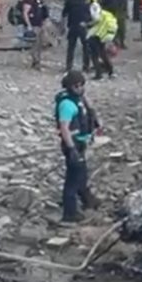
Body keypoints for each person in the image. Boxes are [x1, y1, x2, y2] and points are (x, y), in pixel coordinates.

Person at [54, 70, 100, 223]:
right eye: (76, 86)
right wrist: (71, 148)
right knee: (73, 179)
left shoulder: (79, 99)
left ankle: (87, 199)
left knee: (82, 174)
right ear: (69, 87)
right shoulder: (67, 105)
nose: (80, 88)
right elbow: (64, 128)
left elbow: (88, 112)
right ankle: (69, 212)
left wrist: (95, 123)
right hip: (73, 144)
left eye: (81, 85)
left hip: (81, 142)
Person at [62, 0, 94, 72]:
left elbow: (64, 14)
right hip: (83, 26)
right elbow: (91, 15)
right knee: (86, 47)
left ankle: (69, 67)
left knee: (71, 47)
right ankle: (86, 66)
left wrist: (62, 27)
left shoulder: (69, 1)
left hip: (72, 26)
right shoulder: (87, 1)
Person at [20, 0, 50, 69]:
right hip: (33, 26)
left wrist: (44, 25)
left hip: (40, 25)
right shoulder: (29, 0)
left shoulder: (40, 1)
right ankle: (35, 61)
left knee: (40, 45)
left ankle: (37, 61)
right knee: (34, 44)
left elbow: (45, 14)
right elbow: (25, 13)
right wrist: (28, 25)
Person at [87, 6, 118, 80]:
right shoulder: (107, 14)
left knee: (94, 56)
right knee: (103, 55)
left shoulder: (96, 13)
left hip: (96, 36)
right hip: (104, 36)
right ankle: (111, 72)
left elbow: (95, 21)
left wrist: (87, 24)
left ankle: (98, 75)